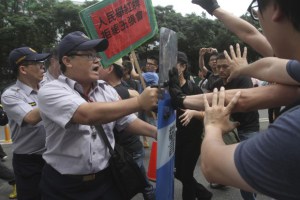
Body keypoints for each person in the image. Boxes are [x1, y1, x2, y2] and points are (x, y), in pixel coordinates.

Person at [187, 0, 300, 199]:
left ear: (276, 9)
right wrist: (213, 8)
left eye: (256, 11)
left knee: (246, 183)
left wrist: (212, 125)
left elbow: (212, 166)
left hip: (247, 128)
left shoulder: (292, 130)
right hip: (237, 127)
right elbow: (262, 53)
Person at [37, 31, 158, 200]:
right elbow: (85, 114)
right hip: (64, 186)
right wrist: (138, 103)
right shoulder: (50, 90)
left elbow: (126, 121)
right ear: (67, 61)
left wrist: (156, 132)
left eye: (97, 55)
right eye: (88, 55)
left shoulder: (106, 89)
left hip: (105, 181)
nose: (97, 60)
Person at [98, 58, 156, 200]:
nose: (95, 65)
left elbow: (127, 121)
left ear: (110, 68)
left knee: (125, 184)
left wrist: (157, 132)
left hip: (128, 149)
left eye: (99, 64)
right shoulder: (114, 89)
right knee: (139, 178)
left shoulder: (115, 92)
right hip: (123, 148)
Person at [1, 47, 49, 200]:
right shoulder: (11, 95)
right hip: (29, 162)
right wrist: (57, 100)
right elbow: (31, 117)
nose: (43, 66)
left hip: (54, 156)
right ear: (23, 69)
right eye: (38, 63)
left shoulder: (48, 88)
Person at [212, 51, 259, 200]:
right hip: (227, 131)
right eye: (218, 67)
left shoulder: (243, 79)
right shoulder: (217, 84)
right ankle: (221, 181)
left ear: (232, 66)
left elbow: (239, 102)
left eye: (225, 66)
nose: (221, 70)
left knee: (245, 171)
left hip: (247, 128)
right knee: (223, 163)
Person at [174, 51, 212, 200]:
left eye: (173, 64)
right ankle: (204, 194)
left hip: (193, 138)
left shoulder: (193, 89)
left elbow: (207, 114)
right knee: (178, 172)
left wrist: (192, 113)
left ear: (183, 67)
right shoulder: (168, 90)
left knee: (186, 174)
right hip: (176, 137)